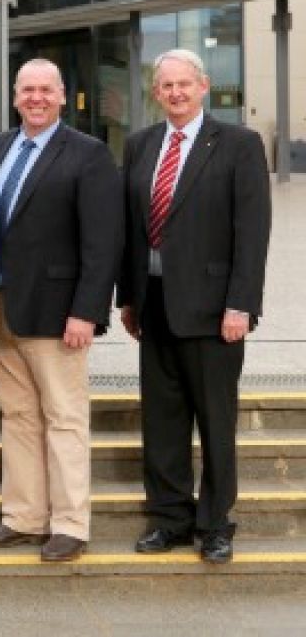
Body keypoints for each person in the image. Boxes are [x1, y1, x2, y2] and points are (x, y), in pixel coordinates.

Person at [119, 48, 271, 565]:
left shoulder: (239, 145)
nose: (176, 93)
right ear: (156, 92)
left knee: (214, 420)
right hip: (154, 305)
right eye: (166, 86)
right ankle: (170, 519)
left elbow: (252, 234)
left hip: (213, 311)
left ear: (203, 87)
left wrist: (241, 305)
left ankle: (216, 525)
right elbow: (131, 231)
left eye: (185, 84)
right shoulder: (139, 146)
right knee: (162, 422)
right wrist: (130, 298)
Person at [0, 60, 122, 563]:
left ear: (61, 95)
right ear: (15, 97)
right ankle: (24, 516)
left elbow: (103, 241)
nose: (35, 98)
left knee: (63, 415)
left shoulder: (88, 154)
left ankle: (71, 523)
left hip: (57, 311)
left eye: (45, 90)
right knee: (17, 414)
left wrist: (87, 310)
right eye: (26, 90)